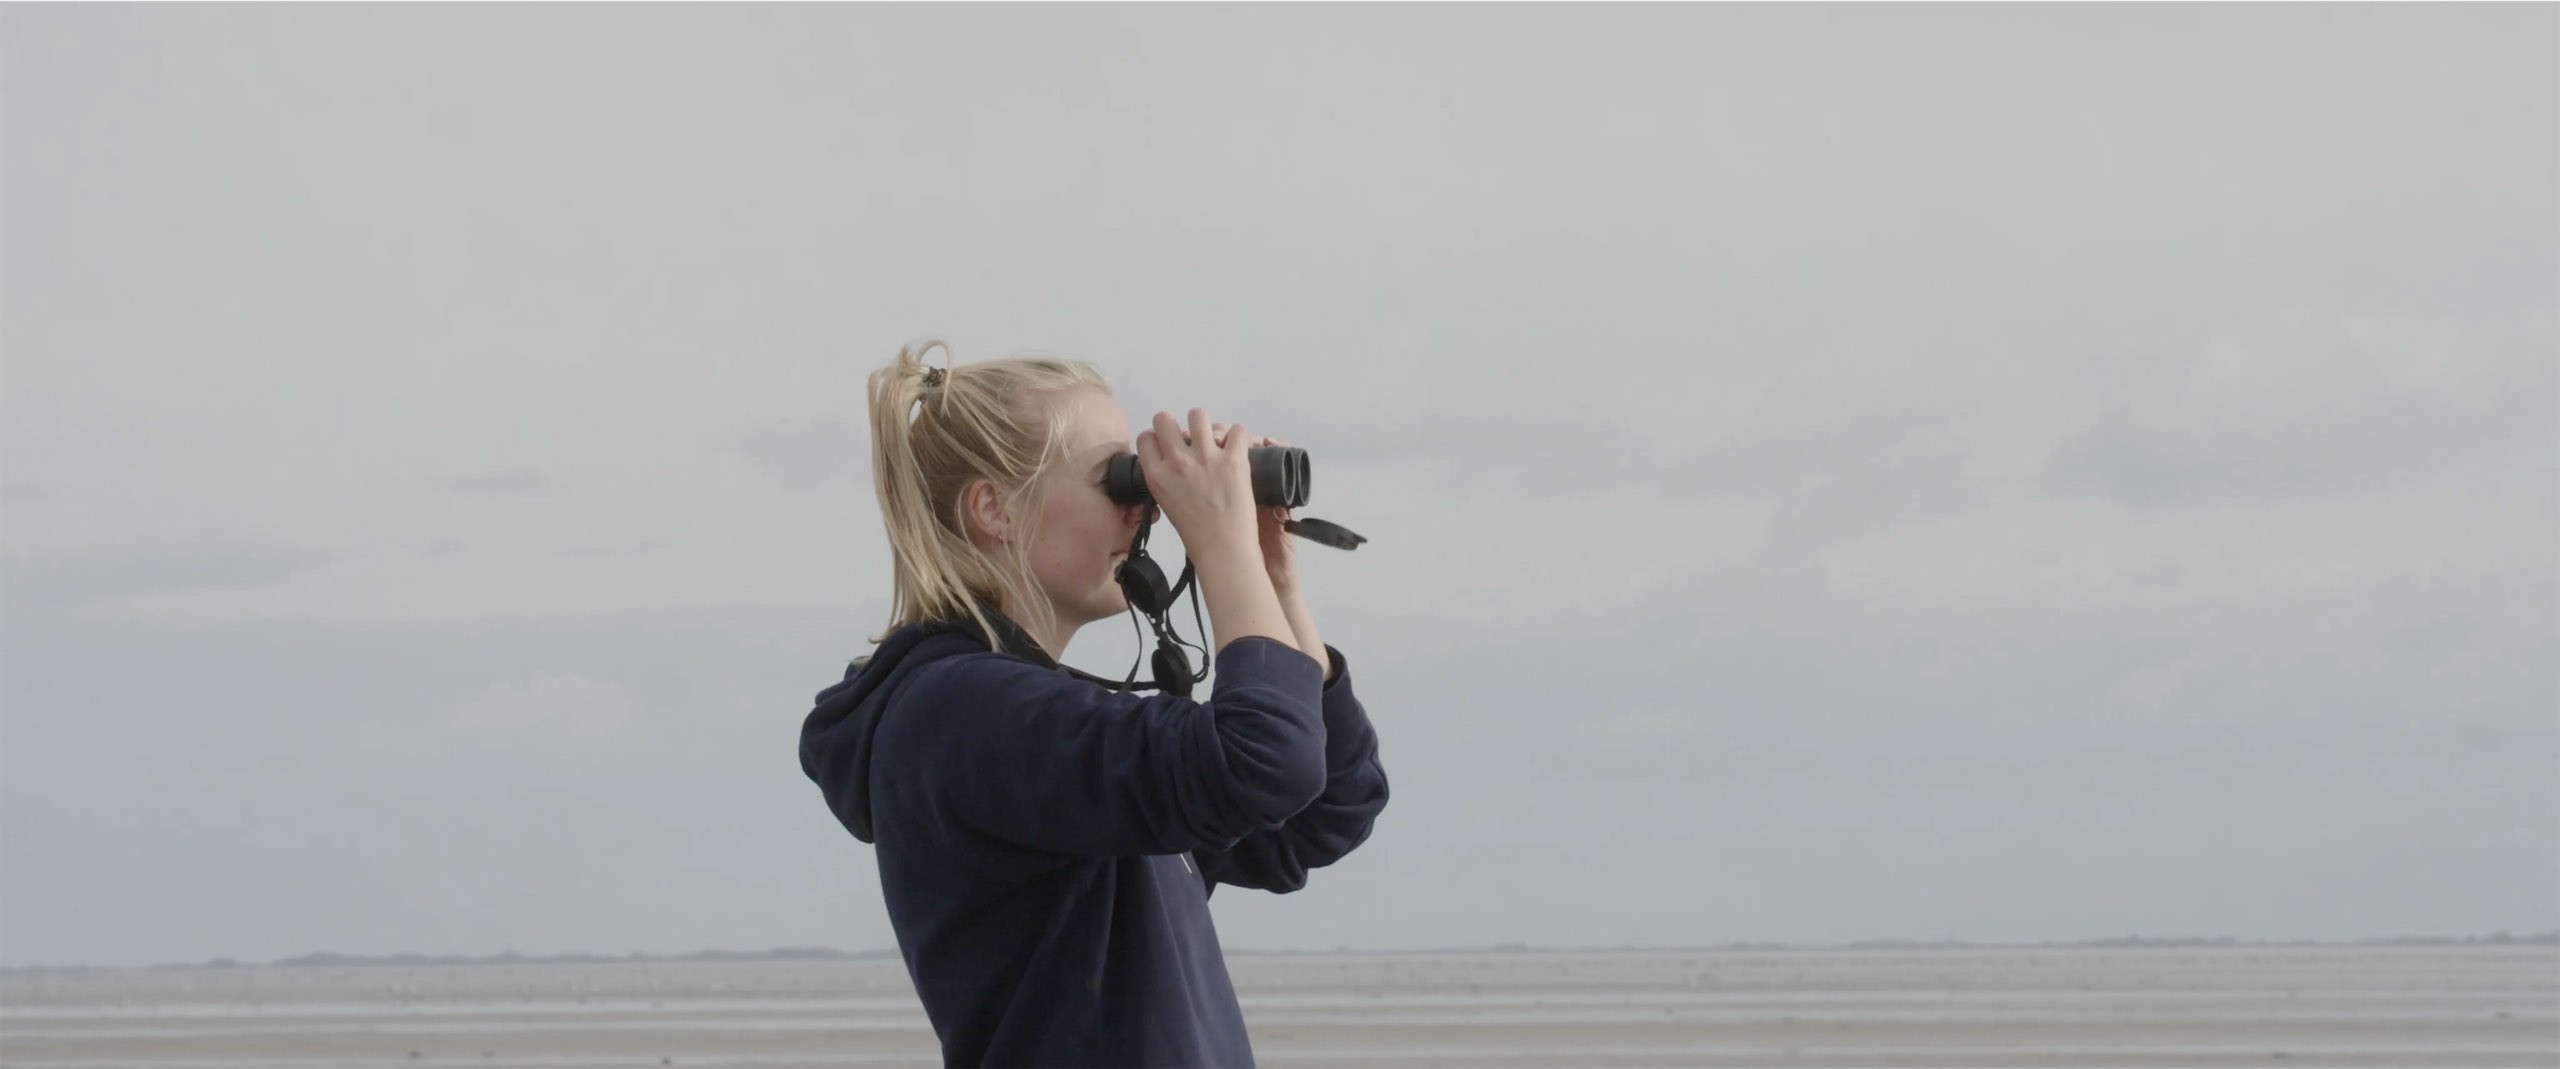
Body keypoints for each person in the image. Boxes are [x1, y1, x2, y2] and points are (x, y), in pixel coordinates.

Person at [798, 340, 1390, 1068]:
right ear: (995, 508)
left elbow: (1323, 809)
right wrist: (1221, 547)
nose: (1142, 509)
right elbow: (1266, 763)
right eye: (1118, 479)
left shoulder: (1019, 717)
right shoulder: (964, 712)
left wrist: (1269, 577)